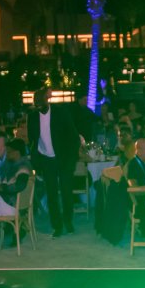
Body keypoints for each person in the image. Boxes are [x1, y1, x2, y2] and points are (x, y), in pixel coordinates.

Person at [28, 87, 82, 237]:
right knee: (51, 194)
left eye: (41, 102)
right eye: (36, 104)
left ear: (47, 100)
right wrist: (36, 163)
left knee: (66, 192)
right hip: (46, 159)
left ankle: (68, 222)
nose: (38, 106)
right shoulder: (32, 117)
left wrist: (71, 159)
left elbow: (73, 136)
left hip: (64, 158)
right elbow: (32, 140)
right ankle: (57, 226)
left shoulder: (60, 112)